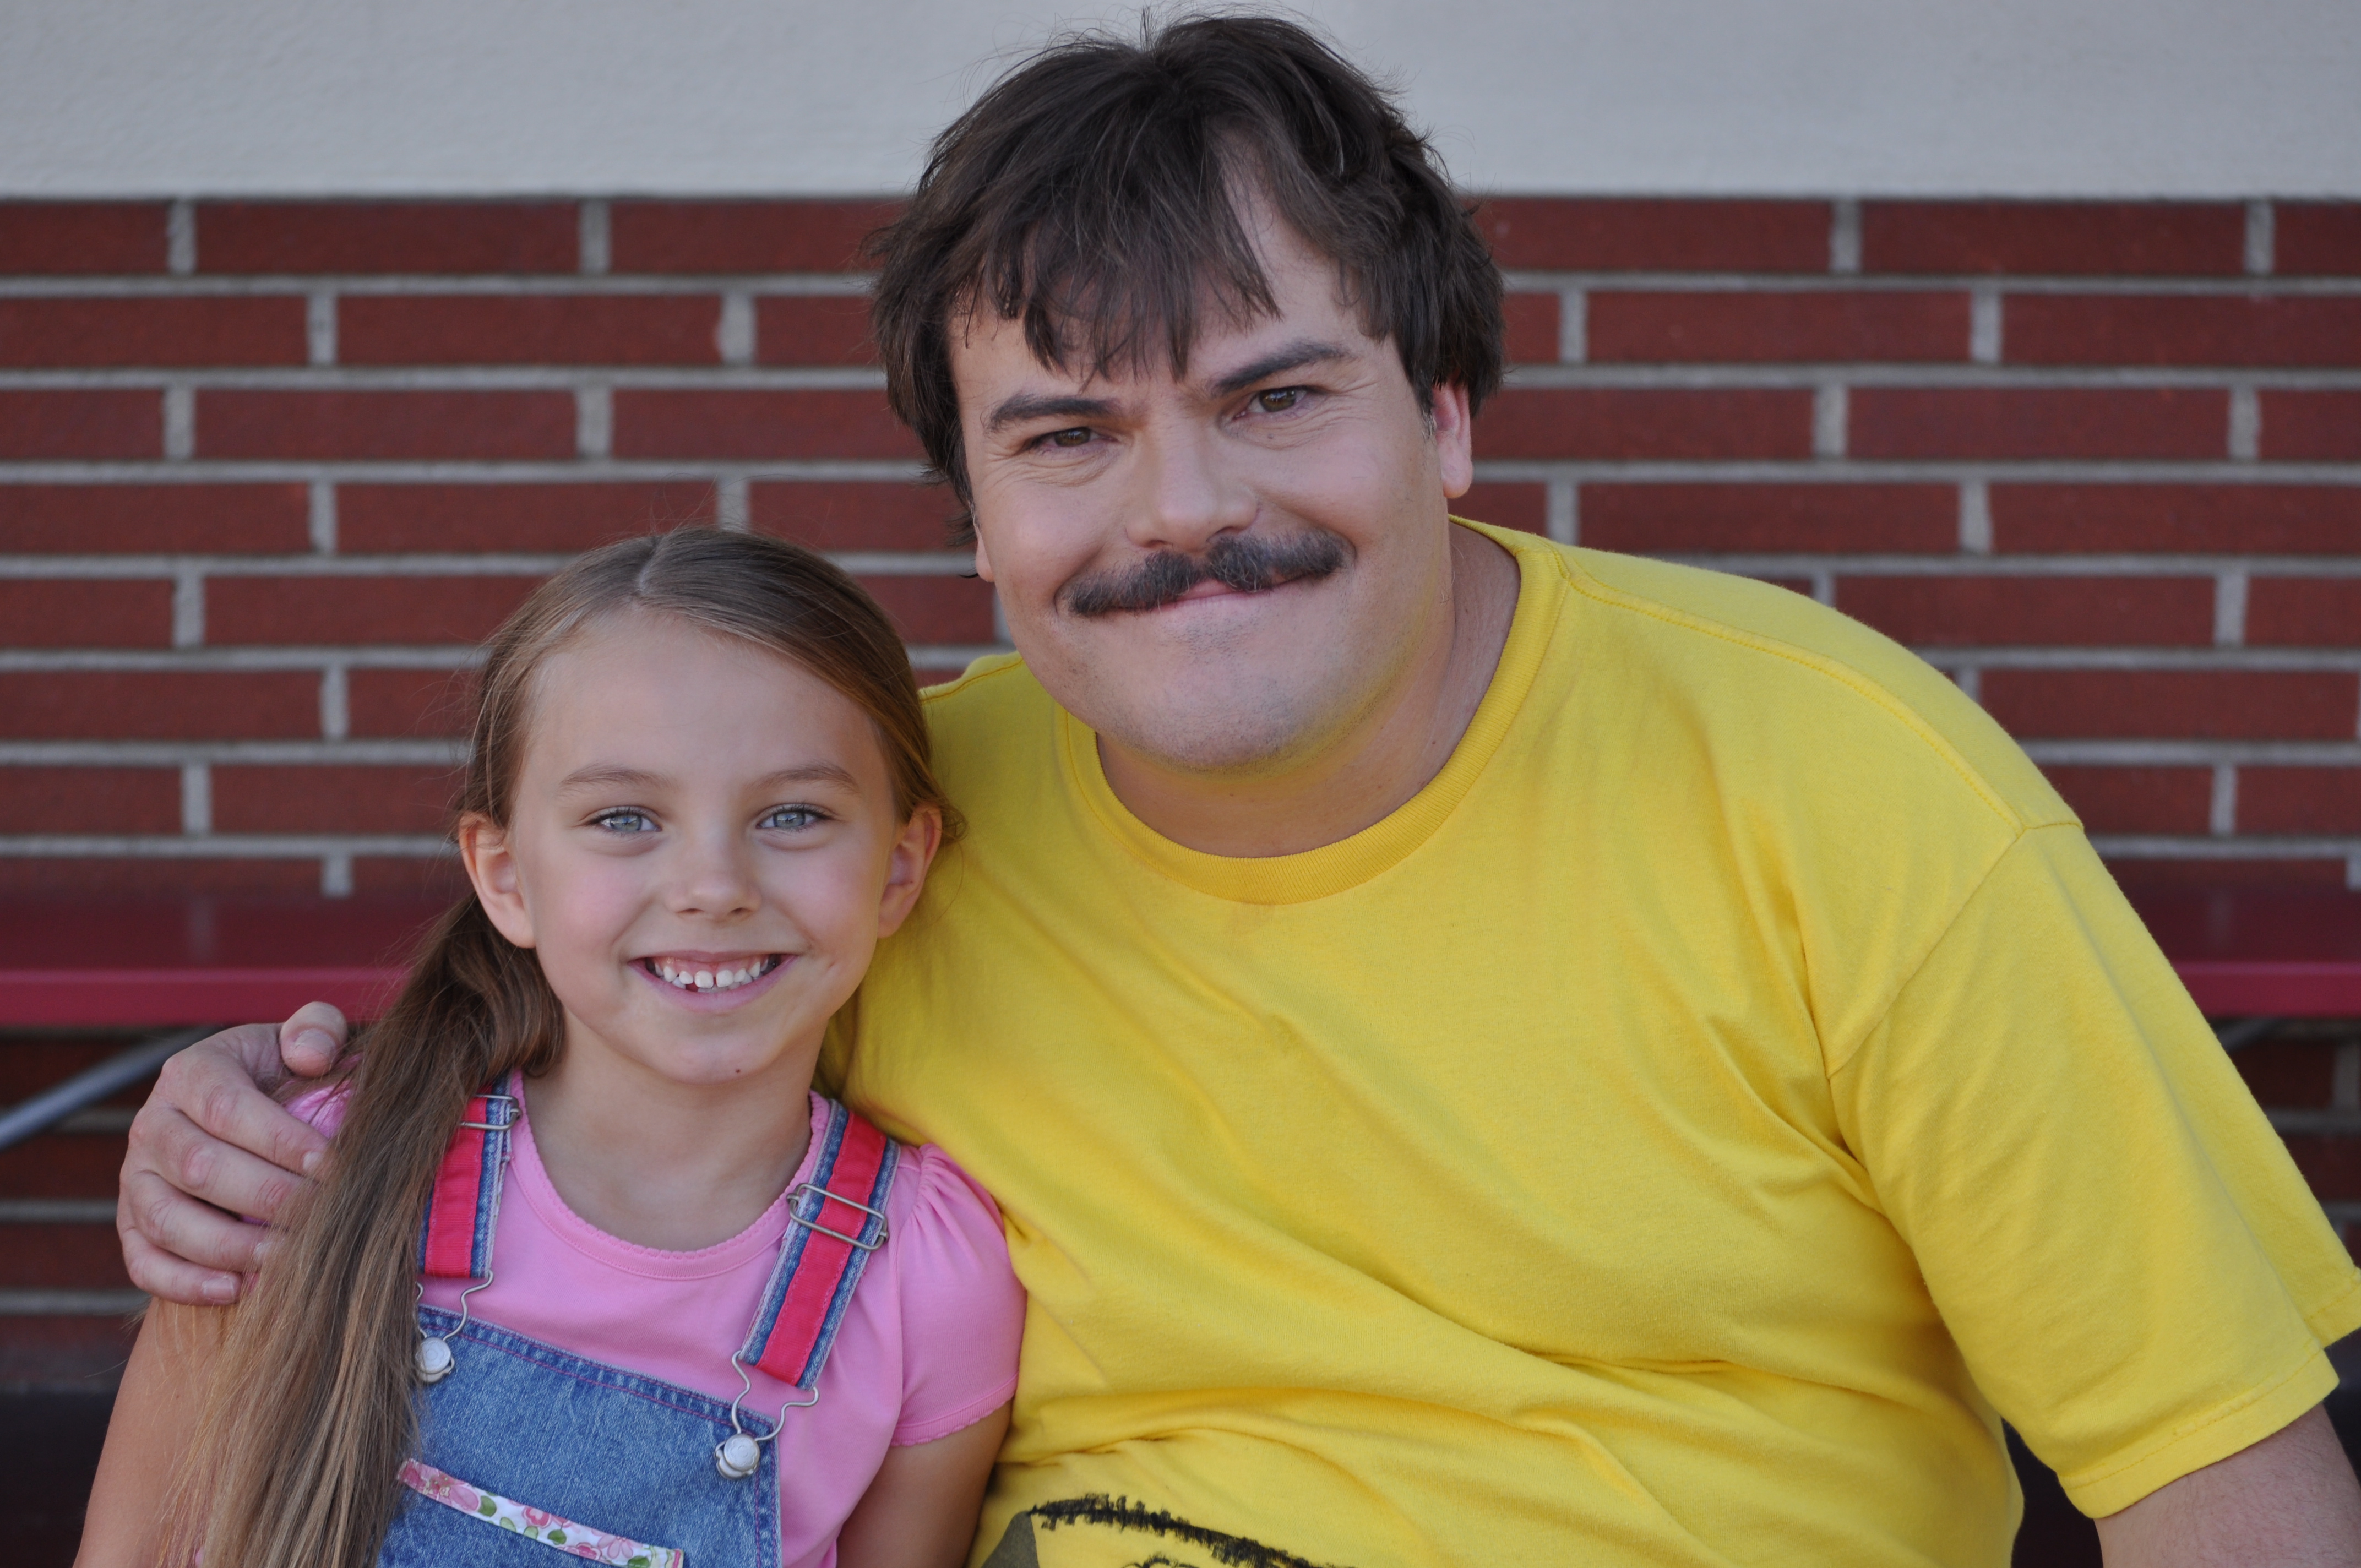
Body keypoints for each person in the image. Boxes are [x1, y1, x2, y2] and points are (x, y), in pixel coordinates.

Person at [115, 15, 2361, 1567]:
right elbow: (505, 1051)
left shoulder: (1840, 788)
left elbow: (2208, 1473)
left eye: (1273, 395)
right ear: (972, 515)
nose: (1178, 509)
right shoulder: (885, 823)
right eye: (1067, 433)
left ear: (1448, 414)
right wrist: (227, 1125)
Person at [80, 530, 1023, 1568]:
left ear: (899, 868)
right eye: (625, 817)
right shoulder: (313, 1169)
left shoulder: (929, 1276)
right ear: (506, 876)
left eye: (794, 814)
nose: (713, 885)